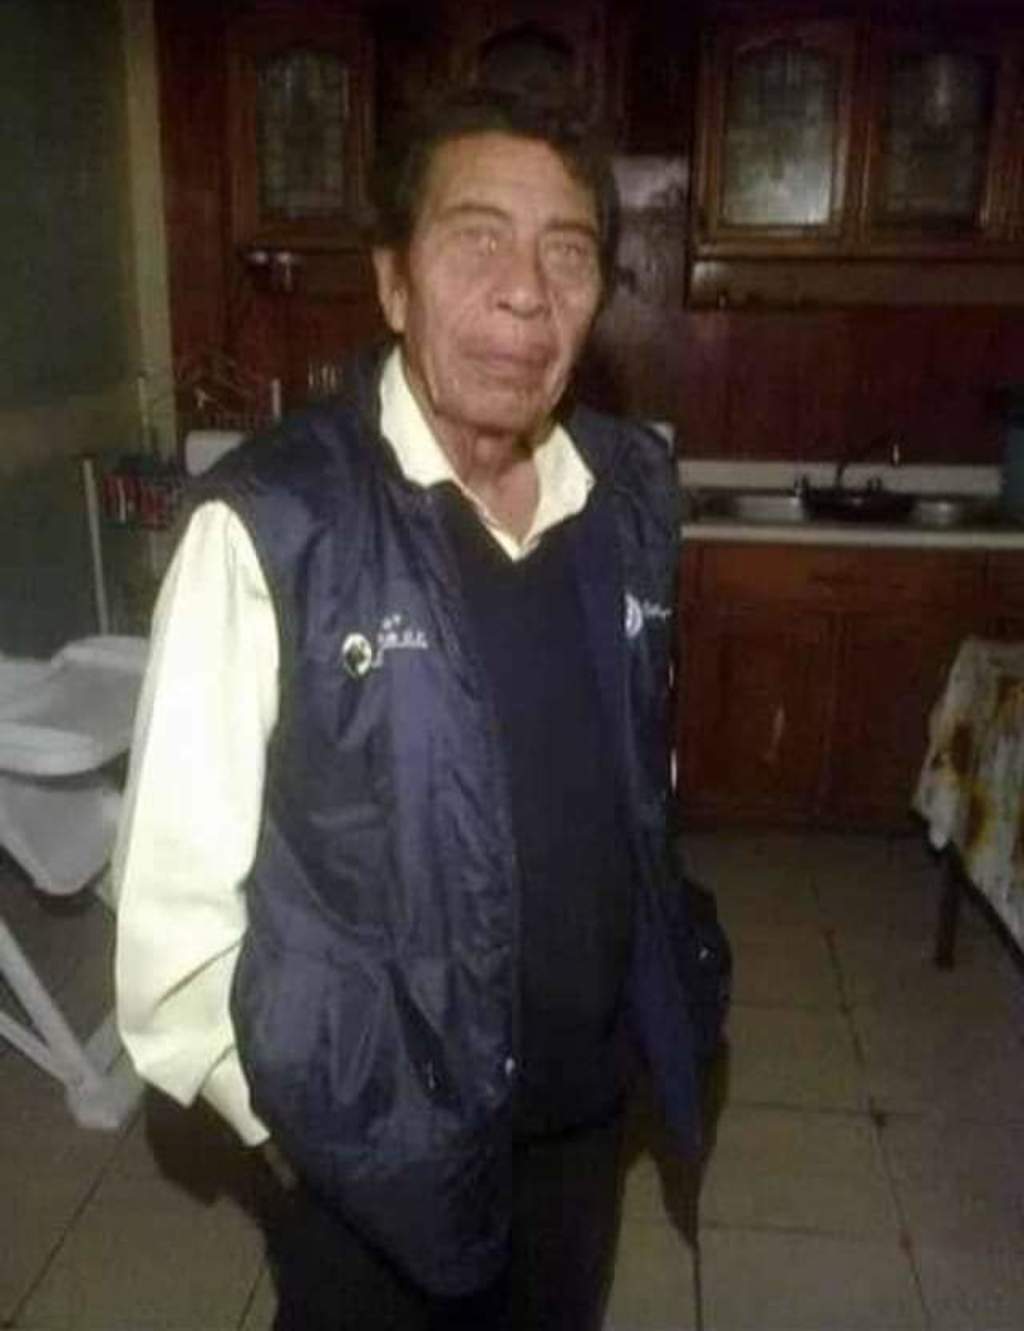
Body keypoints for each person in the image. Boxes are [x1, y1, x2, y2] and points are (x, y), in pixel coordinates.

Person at [113, 90, 703, 1331]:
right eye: (477, 239)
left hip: (583, 1119)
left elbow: (638, 784)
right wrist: (312, 1133)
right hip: (372, 1152)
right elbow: (173, 932)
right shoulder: (274, 524)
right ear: (392, 282)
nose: (525, 293)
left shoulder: (632, 490)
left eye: (567, 253)